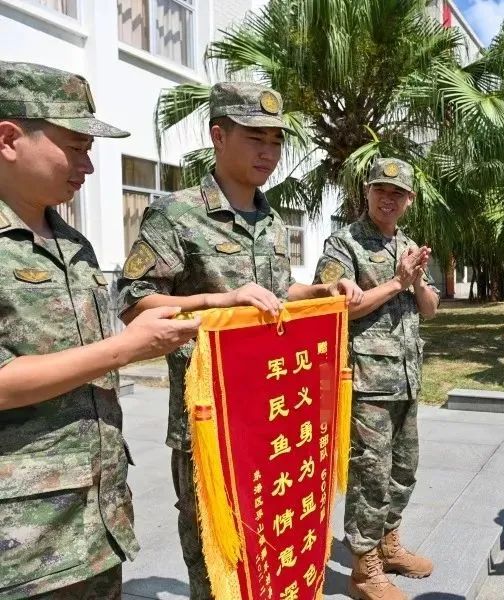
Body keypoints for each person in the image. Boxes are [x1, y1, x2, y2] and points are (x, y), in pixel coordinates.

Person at [116, 82, 363, 599]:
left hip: (273, 410)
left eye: (275, 140)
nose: (268, 152)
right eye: (255, 138)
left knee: (275, 538)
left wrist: (318, 290)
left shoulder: (271, 220)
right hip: (210, 421)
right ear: (218, 135)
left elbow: (275, 294)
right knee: (219, 557)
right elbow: (134, 301)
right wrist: (217, 303)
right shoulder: (176, 214)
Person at [0, 61, 200, 598]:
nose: (88, 165)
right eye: (75, 145)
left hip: (96, 515)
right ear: (9, 138)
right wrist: (125, 349)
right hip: (22, 542)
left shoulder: (74, 243)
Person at [314, 158, 440, 600]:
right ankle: (364, 570)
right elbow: (334, 308)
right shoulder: (343, 244)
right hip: (366, 379)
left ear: (409, 200)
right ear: (366, 193)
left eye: (397, 193)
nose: (388, 199)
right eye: (380, 190)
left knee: (404, 469)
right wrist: (396, 281)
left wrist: (418, 281)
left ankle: (388, 545)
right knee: (371, 472)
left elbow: (429, 309)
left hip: (406, 376)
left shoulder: (409, 245)